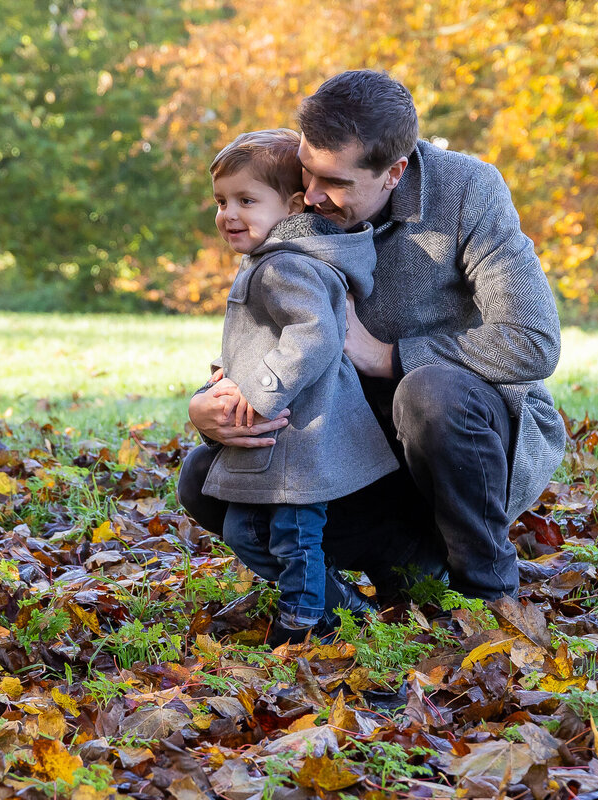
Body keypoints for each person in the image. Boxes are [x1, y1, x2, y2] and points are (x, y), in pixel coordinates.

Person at [177, 70, 565, 608]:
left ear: (394, 172)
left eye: (333, 182)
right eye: (307, 173)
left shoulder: (468, 191)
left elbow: (534, 343)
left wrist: (386, 356)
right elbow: (271, 326)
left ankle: (486, 595)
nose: (310, 197)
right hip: (351, 448)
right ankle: (351, 591)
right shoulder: (299, 199)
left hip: (458, 448)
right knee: (204, 477)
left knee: (429, 392)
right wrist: (210, 409)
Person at [198, 128, 398, 645]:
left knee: (294, 533)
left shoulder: (286, 264)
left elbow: (315, 334)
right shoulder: (269, 260)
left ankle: (304, 619)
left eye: (246, 200)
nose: (228, 214)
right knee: (250, 531)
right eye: (221, 201)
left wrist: (258, 391)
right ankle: (338, 603)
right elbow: (260, 335)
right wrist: (224, 376)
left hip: (300, 428)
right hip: (281, 428)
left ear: (289, 207)